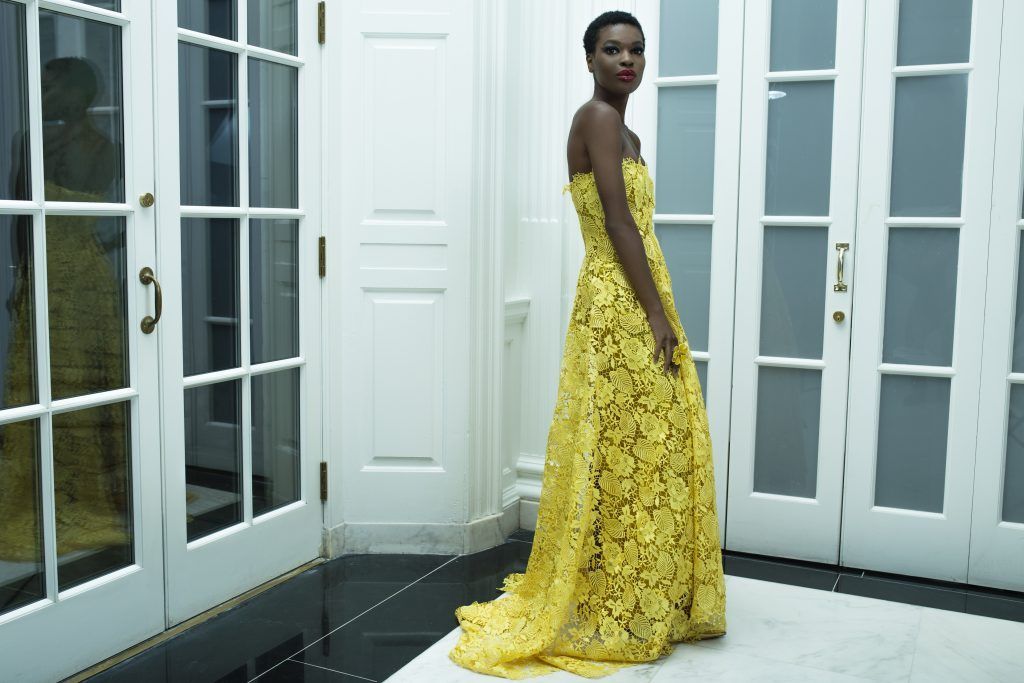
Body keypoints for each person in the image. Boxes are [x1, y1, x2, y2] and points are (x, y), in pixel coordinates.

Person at [448, 10, 727, 679]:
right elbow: (621, 222)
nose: (626, 60)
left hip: (637, 292)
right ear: (589, 58)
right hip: (618, 298)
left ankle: (641, 587)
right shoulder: (597, 118)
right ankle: (617, 591)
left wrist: (659, 308)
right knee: (627, 441)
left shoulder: (625, 126)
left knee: (646, 441)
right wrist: (656, 316)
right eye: (612, 49)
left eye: (636, 50)